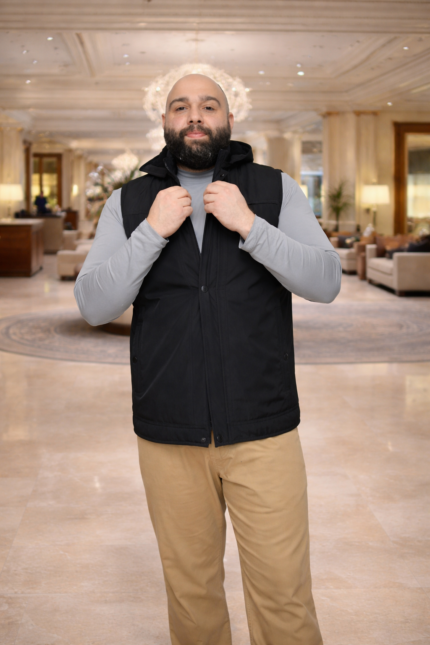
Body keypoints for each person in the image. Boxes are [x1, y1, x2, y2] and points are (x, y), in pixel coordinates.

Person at [75, 74, 341, 645]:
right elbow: (94, 305)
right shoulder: (129, 203)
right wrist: (151, 232)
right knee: (191, 597)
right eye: (180, 106)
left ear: (229, 119)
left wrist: (250, 225)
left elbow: (326, 282)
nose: (194, 115)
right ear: (164, 121)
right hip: (169, 432)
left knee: (284, 597)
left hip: (263, 429)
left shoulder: (275, 190)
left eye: (208, 105)